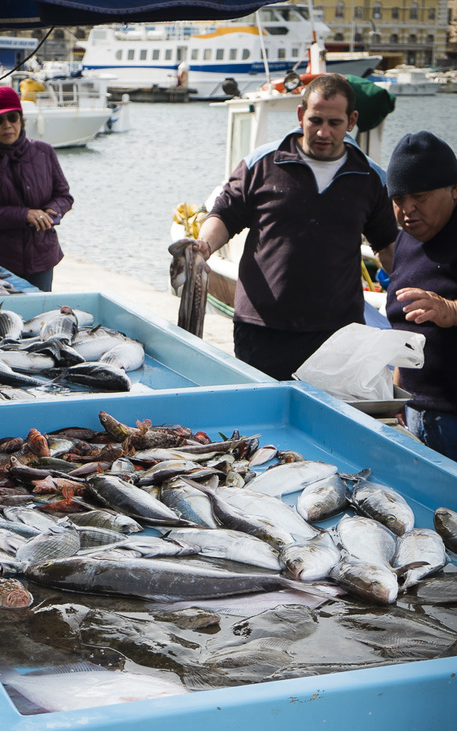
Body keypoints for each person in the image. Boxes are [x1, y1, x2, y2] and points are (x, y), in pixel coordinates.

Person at [195, 74, 398, 380]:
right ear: (301, 115)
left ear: (352, 121)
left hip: (337, 334)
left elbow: (387, 245)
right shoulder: (261, 164)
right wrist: (203, 247)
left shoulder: (369, 177)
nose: (323, 132)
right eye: (315, 120)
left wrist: (422, 285)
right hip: (261, 329)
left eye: (334, 123)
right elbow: (224, 215)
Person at [385, 130, 457, 461]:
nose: (408, 210)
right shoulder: (405, 241)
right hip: (414, 410)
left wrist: (451, 310)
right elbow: (405, 324)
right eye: (399, 200)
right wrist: (399, 391)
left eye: (421, 197)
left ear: (454, 190)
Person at [0, 85, 73, 292]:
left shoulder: (44, 151)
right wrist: (24, 215)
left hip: (42, 257)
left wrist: (49, 212)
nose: (7, 125)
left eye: (13, 117)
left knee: (40, 312)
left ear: (21, 119)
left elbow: (64, 196)